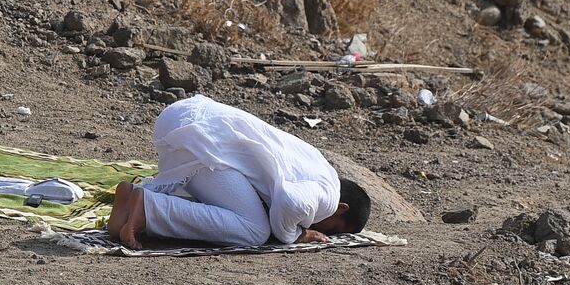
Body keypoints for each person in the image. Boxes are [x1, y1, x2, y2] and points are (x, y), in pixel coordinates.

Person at [107, 94, 372, 249]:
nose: (321, 228)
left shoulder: (318, 165)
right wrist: (297, 235)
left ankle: (131, 199)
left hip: (182, 120)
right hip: (204, 138)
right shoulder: (328, 194)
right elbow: (292, 203)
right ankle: (150, 208)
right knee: (254, 231)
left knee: (233, 211)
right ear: (341, 208)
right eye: (333, 229)